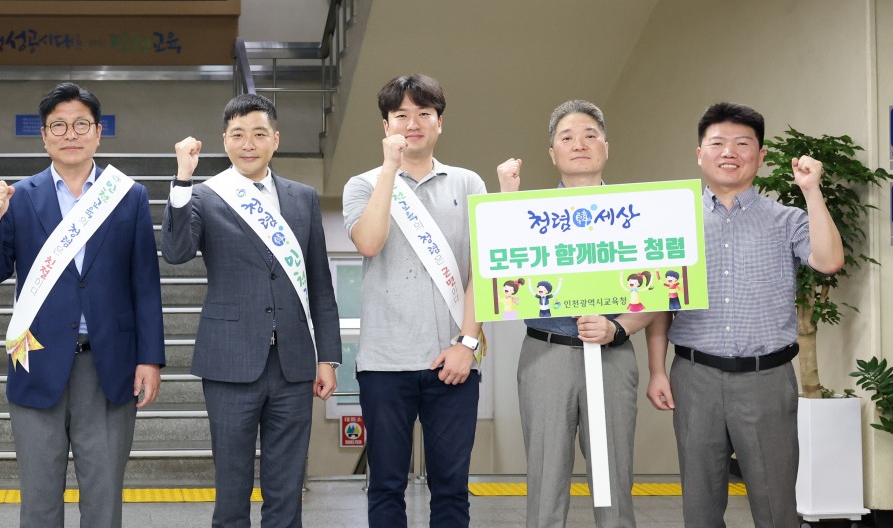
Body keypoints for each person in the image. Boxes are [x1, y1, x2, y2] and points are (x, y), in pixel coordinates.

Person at [0, 82, 165, 528]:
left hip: (109, 365)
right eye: (58, 126)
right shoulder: (20, 196)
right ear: (44, 136)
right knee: (39, 502)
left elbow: (145, 283)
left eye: (81, 125)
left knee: (103, 500)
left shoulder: (128, 195)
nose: (70, 134)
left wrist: (150, 359)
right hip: (37, 363)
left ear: (98, 133)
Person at [659, 102, 843, 528]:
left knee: (776, 507)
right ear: (699, 154)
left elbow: (829, 260)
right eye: (717, 143)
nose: (729, 152)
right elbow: (659, 304)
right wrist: (656, 369)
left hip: (767, 379)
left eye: (743, 144)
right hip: (694, 377)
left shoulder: (787, 219)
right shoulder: (674, 221)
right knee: (700, 509)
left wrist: (811, 190)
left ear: (760, 157)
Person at [165, 93, 340, 528]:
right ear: (224, 140)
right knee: (231, 488)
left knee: (287, 490)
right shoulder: (205, 196)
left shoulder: (302, 197)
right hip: (229, 361)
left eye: (259, 134)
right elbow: (176, 251)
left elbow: (319, 283)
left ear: (275, 139)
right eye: (238, 135)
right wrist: (183, 179)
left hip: (294, 364)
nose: (249, 144)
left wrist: (328, 357)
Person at [496, 100, 668, 528]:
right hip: (546, 354)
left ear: (606, 147)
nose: (579, 144)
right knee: (545, 479)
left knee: (615, 479)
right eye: (567, 137)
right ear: (552, 154)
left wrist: (618, 328)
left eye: (590, 136)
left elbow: (661, 289)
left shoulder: (639, 213)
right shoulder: (527, 213)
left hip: (613, 353)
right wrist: (506, 199)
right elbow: (499, 278)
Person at [341, 74, 483, 527]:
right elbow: (369, 242)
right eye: (401, 115)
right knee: (385, 486)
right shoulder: (362, 184)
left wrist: (468, 344)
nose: (413, 123)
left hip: (453, 361)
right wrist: (389, 169)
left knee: (451, 488)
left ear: (440, 121)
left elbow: (484, 272)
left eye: (424, 113)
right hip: (384, 364)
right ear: (386, 126)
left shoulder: (468, 183)